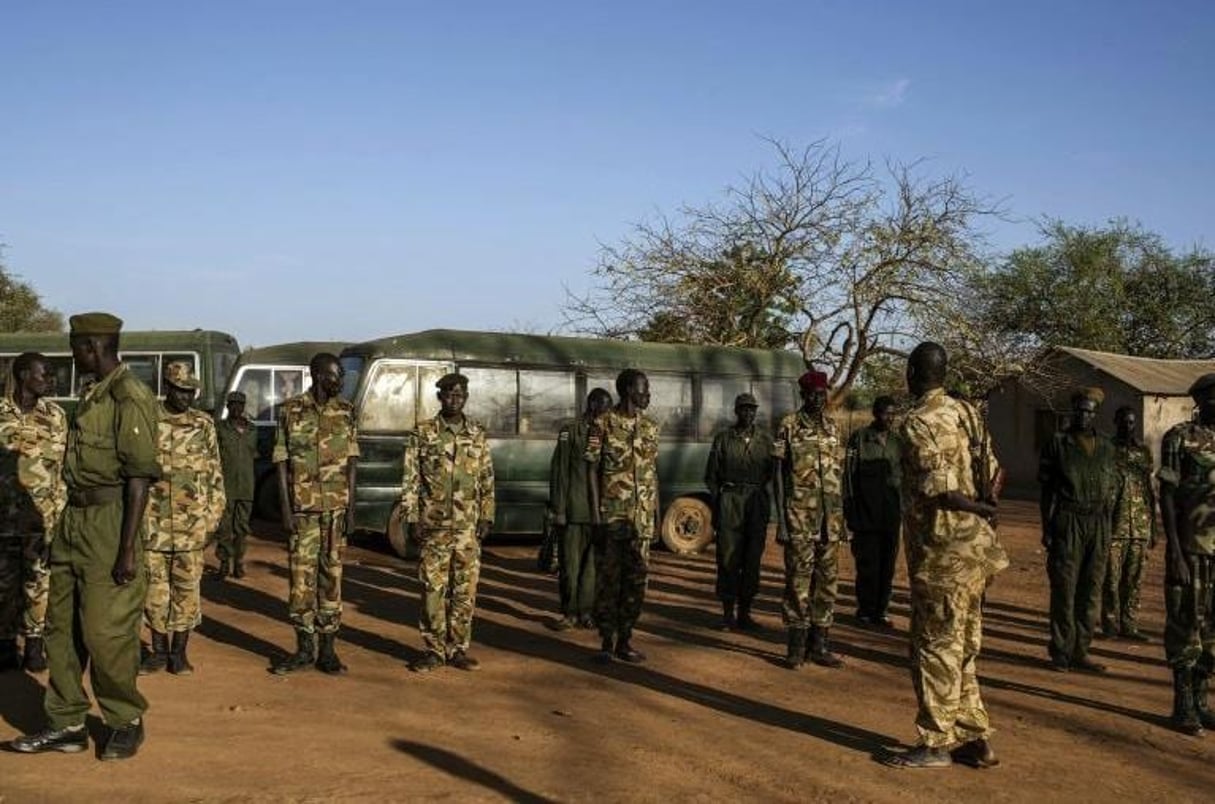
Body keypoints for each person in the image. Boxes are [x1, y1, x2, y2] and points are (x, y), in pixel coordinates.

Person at [10, 313, 161, 760]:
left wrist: (126, 549)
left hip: (111, 522)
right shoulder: (94, 392)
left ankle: (125, 719)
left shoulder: (129, 396)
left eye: (75, 347)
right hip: (74, 519)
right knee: (62, 627)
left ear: (92, 346)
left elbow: (139, 478)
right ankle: (67, 723)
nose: (71, 357)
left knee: (105, 631)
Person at [886, 342, 1008, 770]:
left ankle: (936, 741)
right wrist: (988, 507)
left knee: (936, 646)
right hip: (977, 552)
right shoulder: (969, 414)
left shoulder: (918, 422)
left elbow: (944, 490)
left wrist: (975, 507)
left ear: (913, 373)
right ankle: (974, 737)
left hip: (943, 555)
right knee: (965, 646)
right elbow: (996, 472)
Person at [270, 353, 359, 675]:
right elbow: (280, 461)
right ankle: (304, 650)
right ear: (320, 376)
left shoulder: (346, 411)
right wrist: (285, 508)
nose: (341, 381)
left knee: (332, 578)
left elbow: (352, 461)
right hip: (303, 510)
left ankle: (328, 652)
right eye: (337, 376)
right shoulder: (291, 411)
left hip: (335, 511)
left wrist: (350, 508)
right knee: (300, 581)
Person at [402, 373, 495, 672]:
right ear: (439, 396)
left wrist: (487, 515)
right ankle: (433, 649)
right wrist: (412, 517)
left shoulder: (477, 432)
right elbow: (410, 479)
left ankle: (458, 648)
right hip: (434, 525)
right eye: (450, 394)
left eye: (461, 394)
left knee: (464, 589)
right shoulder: (423, 432)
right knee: (432, 589)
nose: (456, 399)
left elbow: (486, 478)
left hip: (467, 526)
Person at [139, 362, 225, 676]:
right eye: (180, 390)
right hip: (153, 526)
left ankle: (179, 653)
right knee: (154, 592)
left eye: (191, 391)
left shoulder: (203, 424)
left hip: (192, 528)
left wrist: (212, 520)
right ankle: (158, 651)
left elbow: (216, 475)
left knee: (187, 591)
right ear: (167, 387)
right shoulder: (148, 420)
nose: (186, 397)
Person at [1039, 387, 1117, 673]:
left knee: (1091, 589)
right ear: (1073, 411)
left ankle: (1081, 651)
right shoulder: (1058, 443)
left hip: (1098, 522)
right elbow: (1047, 491)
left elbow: (1113, 491)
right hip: (1068, 520)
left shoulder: (1107, 446)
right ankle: (1060, 650)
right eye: (1080, 410)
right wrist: (1046, 527)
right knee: (1065, 587)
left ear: (1096, 414)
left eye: (1090, 411)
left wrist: (1109, 528)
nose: (1084, 415)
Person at [773, 370, 846, 669]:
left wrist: (846, 519)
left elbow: (842, 476)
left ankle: (820, 645)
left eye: (823, 393)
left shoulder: (834, 428)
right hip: (799, 517)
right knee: (797, 582)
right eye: (814, 393)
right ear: (803, 395)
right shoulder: (789, 426)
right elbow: (778, 473)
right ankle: (796, 646)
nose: (820, 398)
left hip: (831, 520)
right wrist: (779, 517)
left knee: (827, 583)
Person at [0, 353, 68, 673]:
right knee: (4, 584)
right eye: (46, 374)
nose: (51, 380)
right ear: (25, 374)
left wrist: (61, 518)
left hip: (43, 521)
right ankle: (4, 645)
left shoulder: (56, 416)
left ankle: (34, 646)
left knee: (40, 585)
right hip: (3, 521)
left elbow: (64, 471)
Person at [586, 368, 659, 664]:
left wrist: (656, 512)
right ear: (629, 390)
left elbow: (655, 472)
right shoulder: (602, 424)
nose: (647, 394)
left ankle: (625, 640)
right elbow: (591, 470)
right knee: (608, 581)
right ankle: (606, 641)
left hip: (640, 519)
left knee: (636, 582)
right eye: (643, 389)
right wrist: (595, 517)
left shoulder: (651, 427)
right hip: (611, 518)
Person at [1157, 373, 1215, 735]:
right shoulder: (1179, 437)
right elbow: (1166, 495)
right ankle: (1183, 708)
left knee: (1212, 632)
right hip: (1191, 549)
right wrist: (1174, 551)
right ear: (1203, 401)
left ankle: (1202, 703)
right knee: (1185, 627)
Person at [704, 392, 771, 631]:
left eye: (752, 409)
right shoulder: (723, 439)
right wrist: (720, 499)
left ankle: (745, 613)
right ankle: (727, 614)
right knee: (728, 558)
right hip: (730, 502)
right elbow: (711, 477)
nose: (748, 413)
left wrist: (763, 498)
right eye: (744, 409)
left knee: (752, 560)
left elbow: (773, 473)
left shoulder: (765, 440)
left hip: (756, 503)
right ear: (736, 411)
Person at [548, 387, 612, 631]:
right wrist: (559, 509)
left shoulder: (607, 433)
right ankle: (569, 612)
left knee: (592, 566)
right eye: (603, 407)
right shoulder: (570, 431)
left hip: (598, 512)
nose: (606, 413)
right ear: (592, 404)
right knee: (569, 565)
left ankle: (586, 611)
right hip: (573, 510)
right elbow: (559, 471)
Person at [843, 395, 903, 627]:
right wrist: (850, 509)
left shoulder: (898, 442)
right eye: (886, 413)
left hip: (890, 514)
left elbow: (905, 477)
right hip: (865, 514)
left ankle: (882, 610)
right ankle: (865, 610)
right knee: (867, 565)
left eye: (893, 413)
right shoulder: (859, 439)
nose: (890, 418)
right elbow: (848, 476)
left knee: (888, 565)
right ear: (875, 413)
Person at [1100, 405, 1156, 641]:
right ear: (1115, 421)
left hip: (1140, 526)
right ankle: (1110, 624)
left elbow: (1149, 489)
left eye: (1132, 422)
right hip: (1114, 526)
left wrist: (1153, 528)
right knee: (1111, 579)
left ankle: (1130, 624)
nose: (1128, 426)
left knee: (1134, 579)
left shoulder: (1143, 452)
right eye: (1123, 421)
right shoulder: (1106, 450)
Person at [215, 390, 258, 579]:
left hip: (246, 487)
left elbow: (255, 454)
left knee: (242, 527)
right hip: (226, 486)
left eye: (240, 405)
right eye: (232, 404)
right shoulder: (220, 429)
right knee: (224, 527)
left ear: (244, 407)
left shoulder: (252, 430)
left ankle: (239, 562)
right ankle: (224, 562)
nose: (236, 408)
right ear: (227, 406)